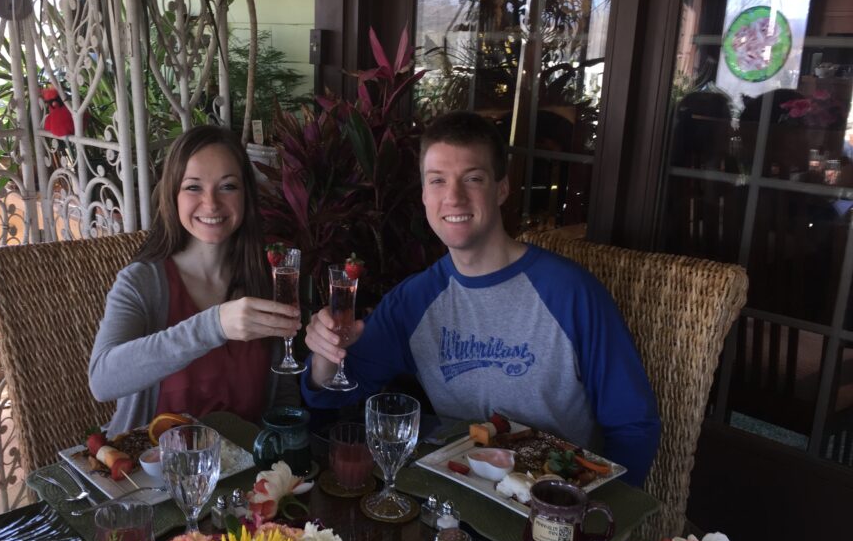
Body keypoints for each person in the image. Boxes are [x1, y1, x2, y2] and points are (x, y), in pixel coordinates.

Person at [302, 111, 660, 488]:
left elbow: (634, 425)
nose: (453, 197)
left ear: (501, 189)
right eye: (437, 181)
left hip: (552, 509)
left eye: (472, 179)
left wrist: (597, 522)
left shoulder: (570, 293)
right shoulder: (415, 299)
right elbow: (333, 395)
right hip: (457, 500)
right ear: (424, 194)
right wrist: (326, 352)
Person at [90, 125, 301, 436]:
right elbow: (103, 380)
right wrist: (213, 326)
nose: (211, 203)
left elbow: (283, 397)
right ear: (172, 194)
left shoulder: (267, 279)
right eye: (193, 188)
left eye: (228, 187)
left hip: (244, 477)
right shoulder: (142, 282)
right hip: (149, 475)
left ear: (246, 196)